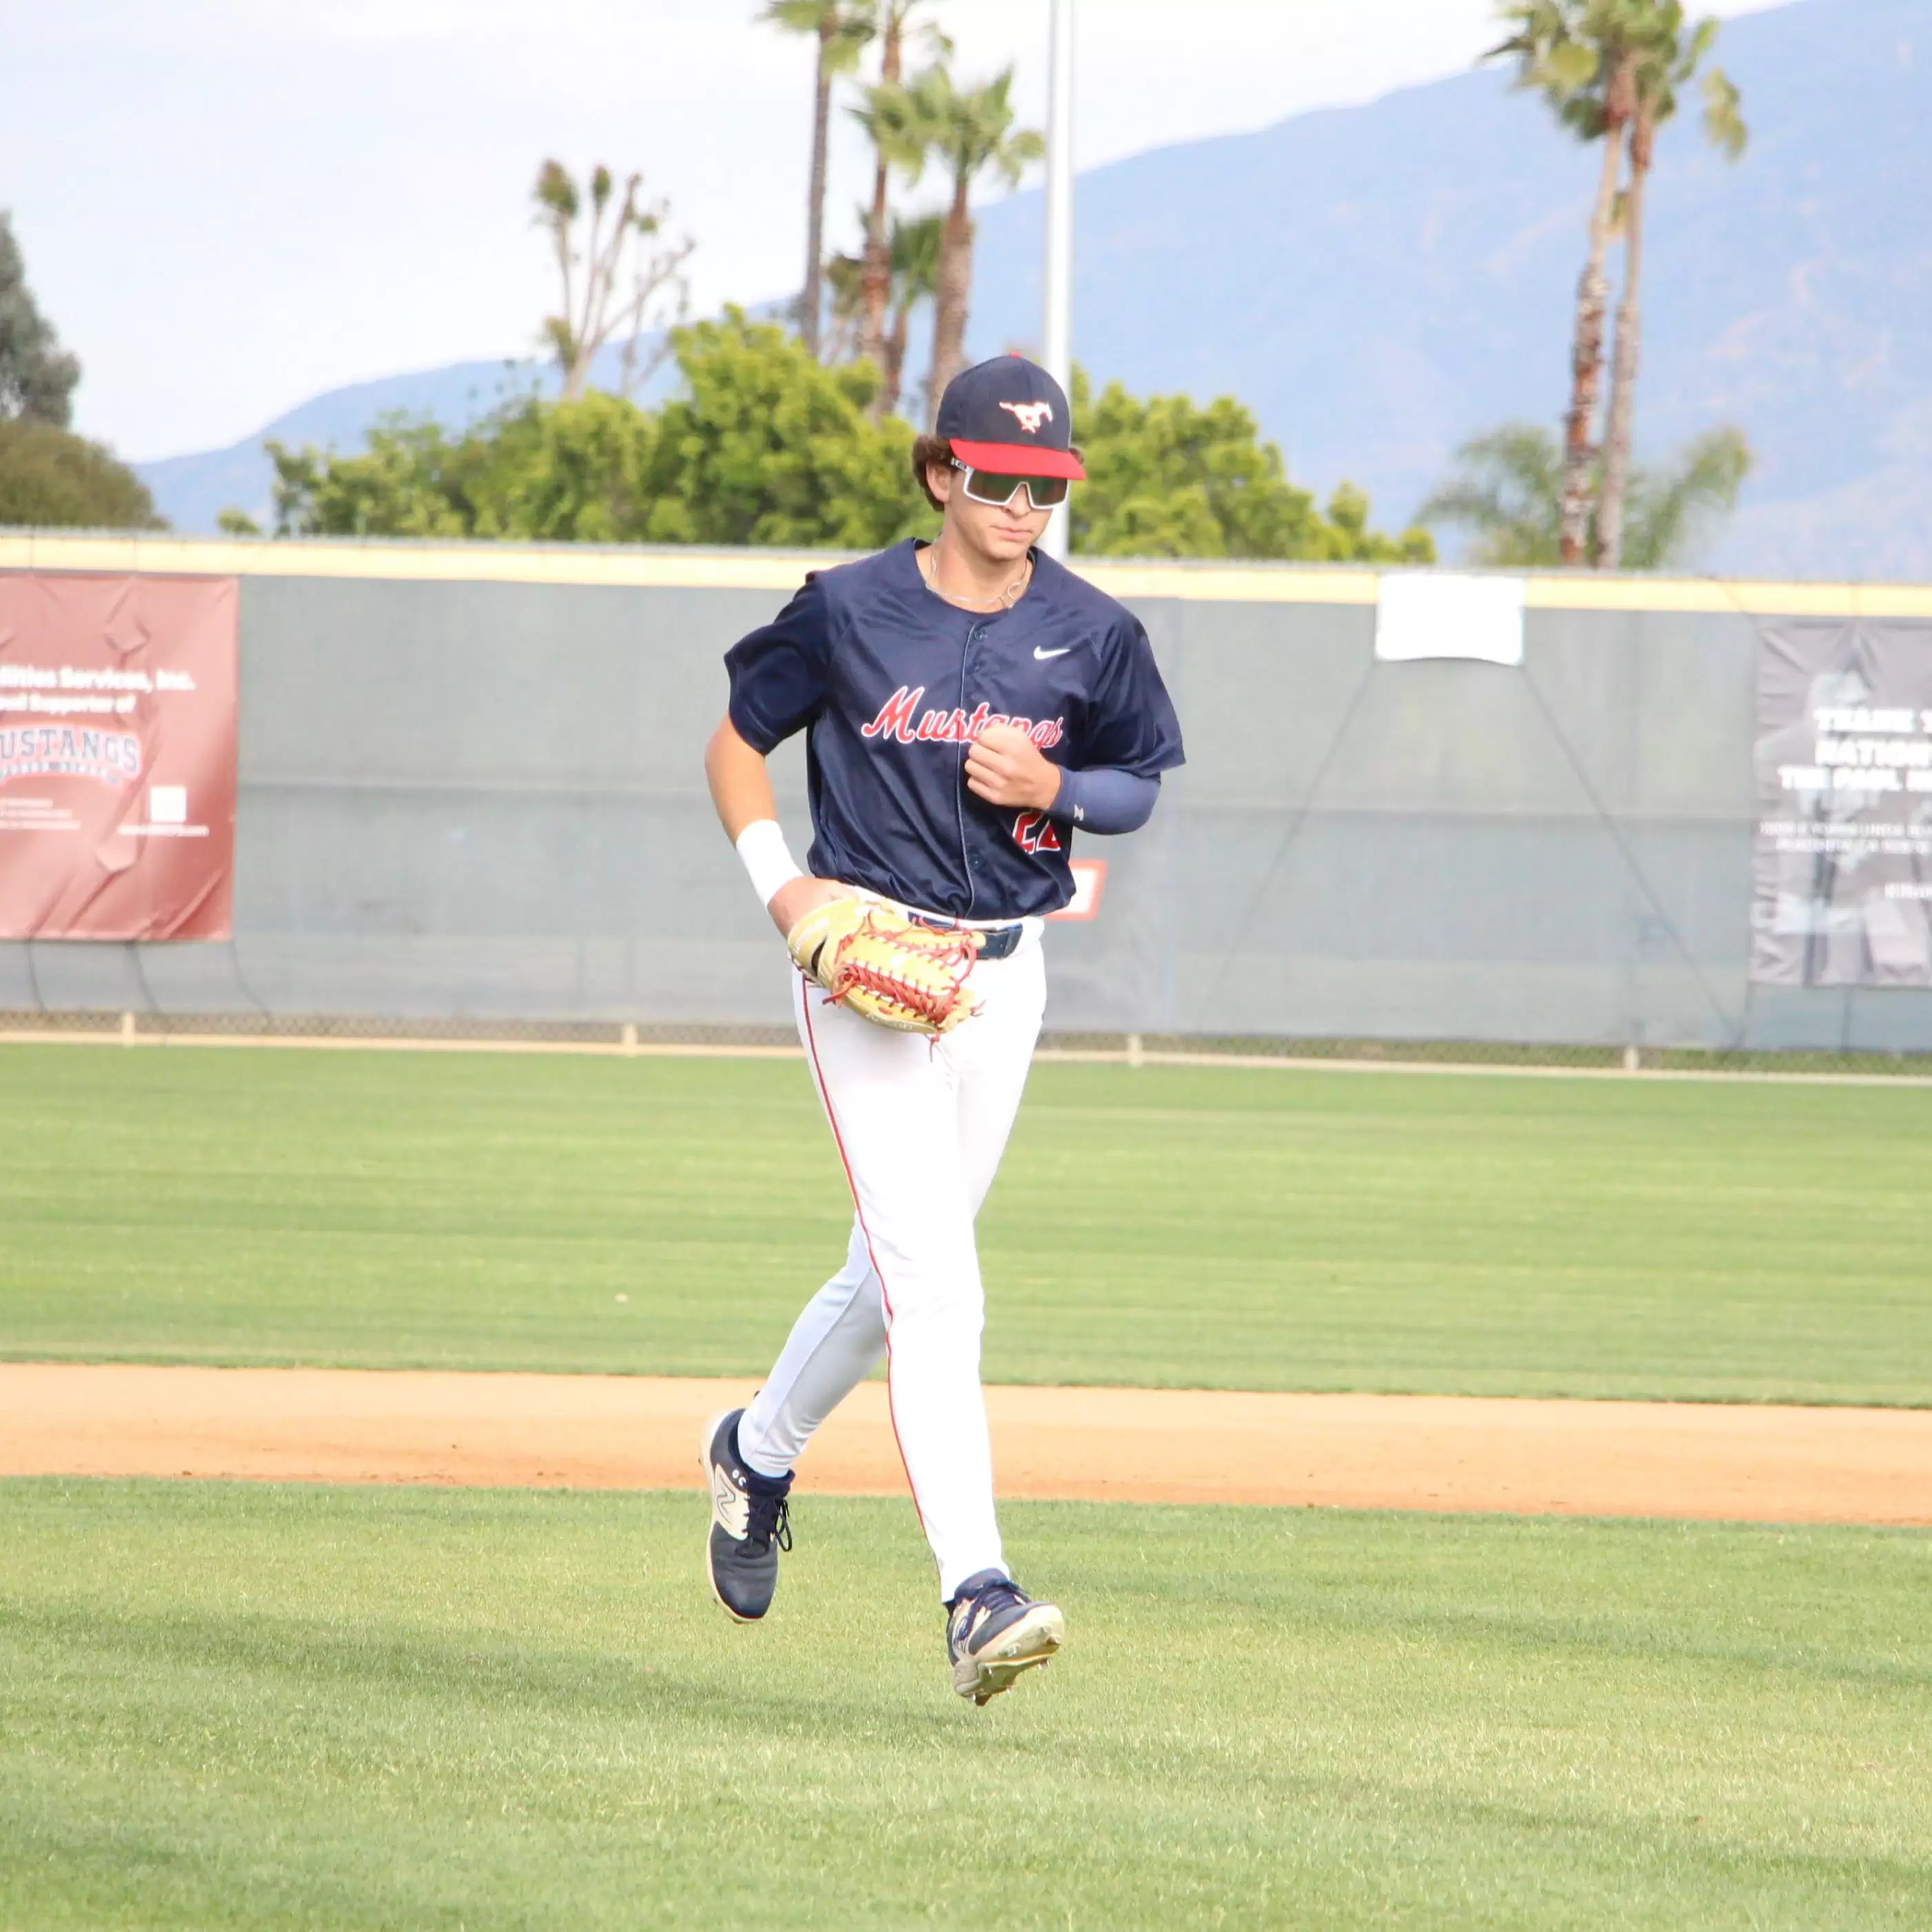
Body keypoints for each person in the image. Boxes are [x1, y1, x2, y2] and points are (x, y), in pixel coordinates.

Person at [700, 354, 1184, 1704]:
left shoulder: (1093, 631)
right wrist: (784, 890)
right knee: (939, 1287)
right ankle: (978, 1591)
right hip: (863, 966)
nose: (1024, 504)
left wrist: (1058, 785)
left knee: (895, 1272)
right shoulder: (847, 609)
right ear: (939, 474)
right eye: (998, 478)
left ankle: (754, 1450)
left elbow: (1138, 785)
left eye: (1047, 484)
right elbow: (734, 748)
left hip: (1002, 979)